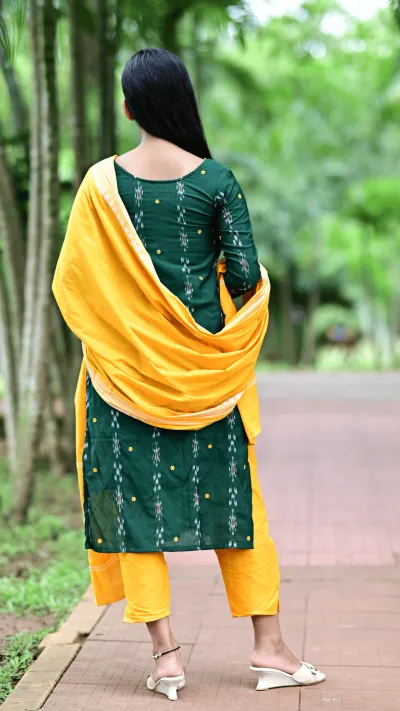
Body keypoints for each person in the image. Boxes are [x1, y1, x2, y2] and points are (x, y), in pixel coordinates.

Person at [53, 47, 325, 701]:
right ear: (183, 102)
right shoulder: (216, 182)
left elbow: (76, 281)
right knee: (239, 503)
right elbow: (245, 273)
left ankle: (167, 658)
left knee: (135, 509)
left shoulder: (99, 186)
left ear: (128, 108)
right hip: (210, 374)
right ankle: (270, 648)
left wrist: (135, 322)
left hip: (122, 377)